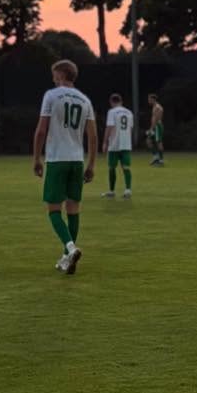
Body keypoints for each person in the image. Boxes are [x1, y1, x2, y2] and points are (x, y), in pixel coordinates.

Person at [33, 58, 97, 273]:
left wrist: (36, 158)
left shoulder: (51, 96)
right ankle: (66, 257)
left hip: (57, 159)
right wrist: (91, 165)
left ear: (61, 75)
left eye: (54, 75)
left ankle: (70, 248)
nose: (53, 79)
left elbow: (41, 130)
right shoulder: (85, 100)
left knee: (53, 210)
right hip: (77, 160)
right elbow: (93, 136)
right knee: (73, 209)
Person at [101, 91, 135, 198]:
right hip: (126, 144)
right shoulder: (129, 112)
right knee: (126, 167)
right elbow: (130, 128)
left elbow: (109, 127)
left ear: (111, 102)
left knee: (112, 168)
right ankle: (128, 190)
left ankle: (111, 191)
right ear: (121, 101)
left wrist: (105, 142)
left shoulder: (112, 112)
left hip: (114, 144)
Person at [147, 92, 167, 166]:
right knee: (149, 141)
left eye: (149, 99)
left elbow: (156, 119)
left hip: (157, 126)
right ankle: (156, 158)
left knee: (159, 142)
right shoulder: (154, 107)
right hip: (155, 126)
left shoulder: (157, 107)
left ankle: (161, 160)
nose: (148, 101)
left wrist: (151, 128)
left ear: (153, 99)